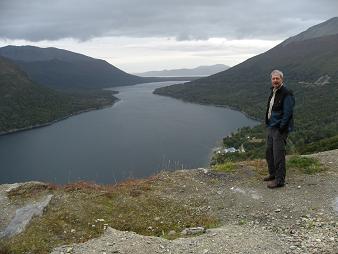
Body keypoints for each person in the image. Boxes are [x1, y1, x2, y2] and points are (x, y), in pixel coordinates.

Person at [264, 70, 295, 188]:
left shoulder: (287, 93)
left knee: (278, 155)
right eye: (273, 79)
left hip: (279, 129)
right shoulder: (273, 91)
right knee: (269, 152)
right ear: (271, 80)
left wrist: (282, 127)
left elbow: (288, 112)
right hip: (271, 127)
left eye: (277, 78)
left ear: (282, 79)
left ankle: (279, 180)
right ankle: (272, 174)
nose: (275, 80)